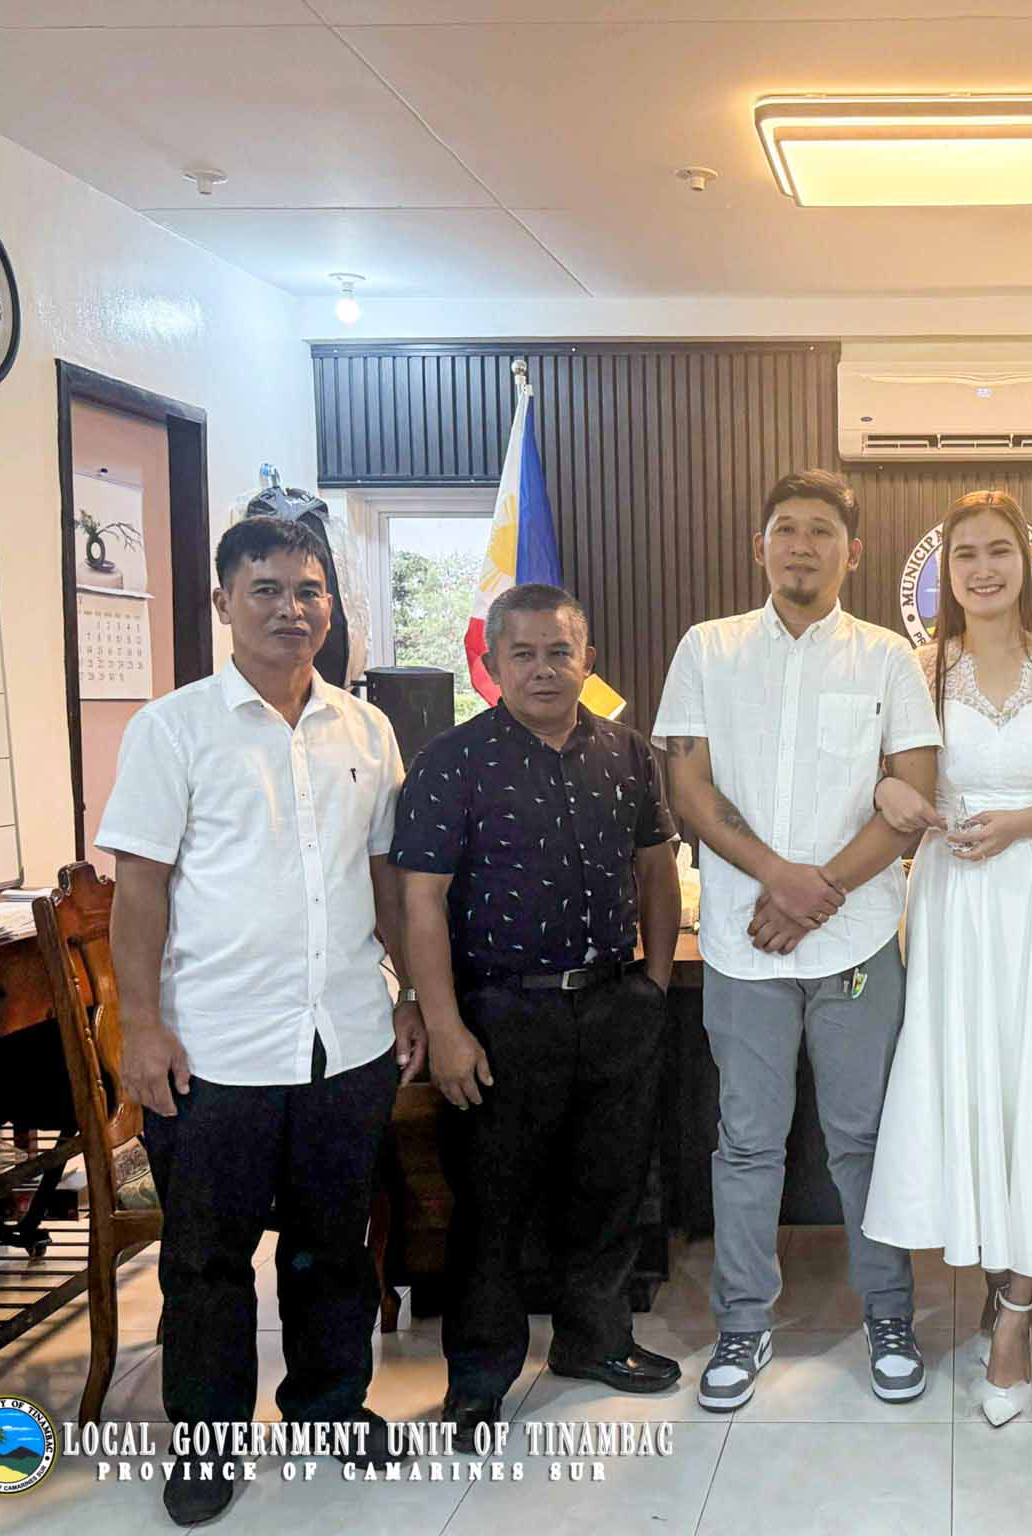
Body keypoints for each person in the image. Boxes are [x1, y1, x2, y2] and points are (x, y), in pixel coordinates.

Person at [99, 517, 422, 1526]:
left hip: (346, 1039)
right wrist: (141, 1028)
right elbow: (139, 893)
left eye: (309, 590)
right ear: (223, 602)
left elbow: (383, 879)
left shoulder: (366, 729)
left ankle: (328, 1407)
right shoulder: (174, 729)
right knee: (207, 1261)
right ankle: (208, 1440)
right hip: (215, 1049)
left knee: (332, 1245)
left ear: (331, 606)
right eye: (267, 589)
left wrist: (412, 993)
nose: (292, 609)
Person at [652, 468, 942, 1414]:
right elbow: (689, 789)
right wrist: (779, 876)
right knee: (746, 1143)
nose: (802, 545)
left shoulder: (889, 658)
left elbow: (913, 797)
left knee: (864, 1140)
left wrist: (817, 893)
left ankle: (889, 1316)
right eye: (786, 528)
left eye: (822, 531)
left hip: (856, 942)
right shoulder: (708, 648)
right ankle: (743, 1324)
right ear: (760, 546)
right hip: (746, 945)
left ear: (853, 552)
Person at [862, 490, 1032, 1429]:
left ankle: (1017, 1318)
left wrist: (1017, 825)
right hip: (950, 895)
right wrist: (893, 796)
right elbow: (881, 773)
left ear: (1028, 566)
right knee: (970, 1082)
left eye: (999, 552)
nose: (983, 569)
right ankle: (990, 1277)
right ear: (944, 572)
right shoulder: (917, 668)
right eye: (966, 555)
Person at [391, 582, 683, 1443]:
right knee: (491, 1204)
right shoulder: (451, 762)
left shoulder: (629, 754)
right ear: (493, 663)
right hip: (500, 1014)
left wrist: (653, 983)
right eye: (523, 653)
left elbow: (657, 870)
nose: (544, 669)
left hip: (615, 1004)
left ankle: (595, 1341)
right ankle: (479, 1377)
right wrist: (444, 1025)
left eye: (560, 652)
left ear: (587, 659)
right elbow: (420, 903)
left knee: (610, 1189)